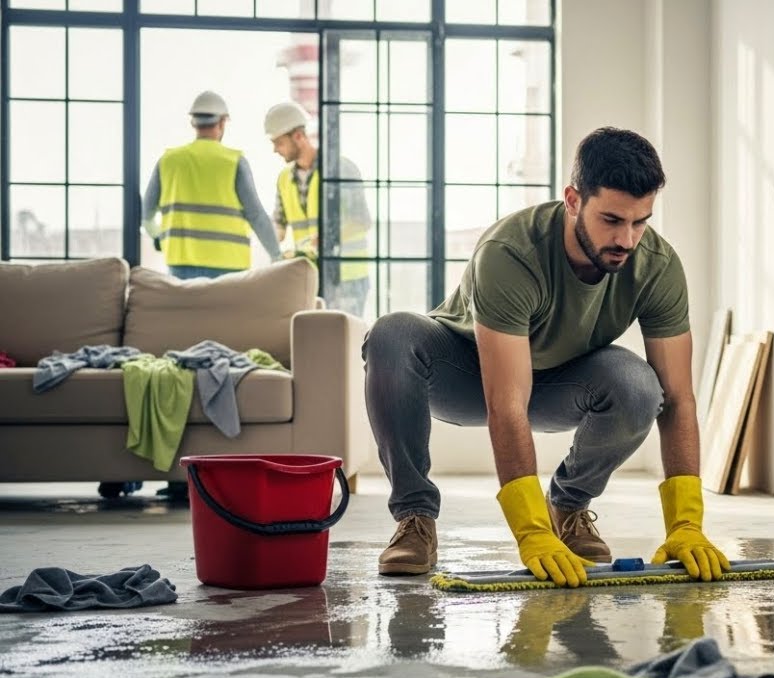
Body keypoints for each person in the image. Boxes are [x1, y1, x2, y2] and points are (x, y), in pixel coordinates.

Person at [363, 127, 730, 587]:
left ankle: (569, 506)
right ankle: (415, 519)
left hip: (560, 384)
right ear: (573, 199)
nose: (627, 239)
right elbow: (506, 402)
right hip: (466, 376)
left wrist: (686, 524)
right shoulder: (510, 252)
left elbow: (679, 400)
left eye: (640, 222)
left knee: (641, 386)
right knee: (391, 334)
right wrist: (530, 532)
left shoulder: (656, 266)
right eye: (612, 220)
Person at [141, 91, 282, 279]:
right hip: (229, 267)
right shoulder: (234, 162)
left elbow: (146, 215)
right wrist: (276, 256)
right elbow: (256, 216)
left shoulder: (168, 161)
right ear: (222, 123)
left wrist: (158, 237)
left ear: (193, 123)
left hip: (181, 266)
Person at [263, 101, 373, 317]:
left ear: (298, 136)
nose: (275, 149)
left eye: (279, 142)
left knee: (346, 344)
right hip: (311, 278)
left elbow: (361, 220)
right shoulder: (284, 179)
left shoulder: (341, 168)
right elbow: (279, 224)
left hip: (347, 276)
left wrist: (322, 238)